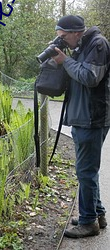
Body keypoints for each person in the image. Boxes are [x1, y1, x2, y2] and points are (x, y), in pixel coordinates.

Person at [52, 15, 110, 238]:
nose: (63, 41)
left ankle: (88, 223)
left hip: (92, 118)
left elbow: (89, 77)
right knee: (87, 171)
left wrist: (65, 61)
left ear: (76, 32)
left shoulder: (98, 44)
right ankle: (97, 214)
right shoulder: (81, 46)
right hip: (82, 117)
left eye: (64, 37)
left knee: (85, 171)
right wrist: (62, 60)